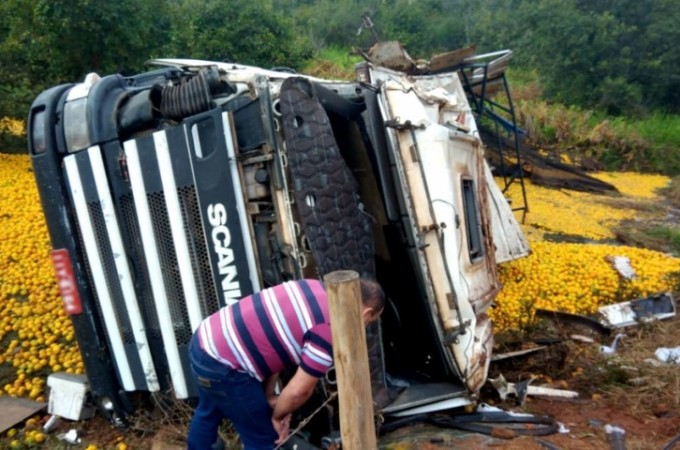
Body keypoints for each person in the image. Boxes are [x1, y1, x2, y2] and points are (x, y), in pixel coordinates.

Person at [186, 278, 385, 450]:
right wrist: (278, 416)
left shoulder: (312, 286)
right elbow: (299, 391)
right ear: (366, 313)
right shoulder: (329, 330)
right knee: (264, 439)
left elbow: (277, 343)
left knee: (208, 412)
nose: (366, 326)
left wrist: (269, 395)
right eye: (370, 321)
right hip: (225, 366)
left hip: (206, 340)